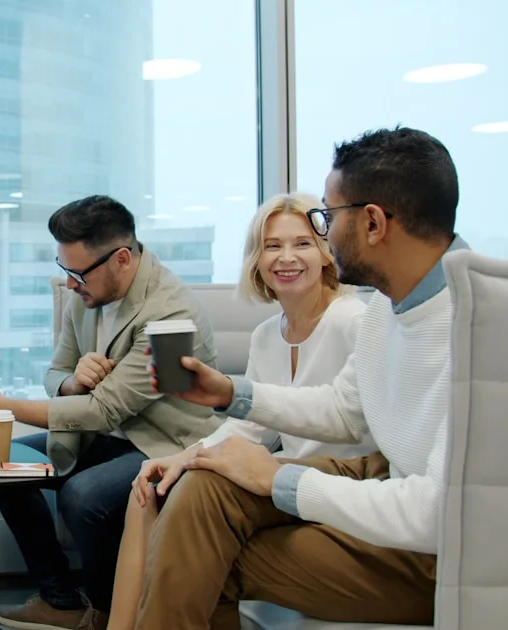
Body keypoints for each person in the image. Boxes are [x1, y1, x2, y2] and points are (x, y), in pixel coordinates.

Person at [133, 126, 465, 629]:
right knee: (205, 486)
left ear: (373, 223)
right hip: (387, 480)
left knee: (201, 557)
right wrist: (231, 394)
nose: (324, 232)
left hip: (436, 552)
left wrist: (282, 478)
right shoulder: (387, 310)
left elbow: (433, 514)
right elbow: (344, 409)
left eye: (326, 218)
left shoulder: (475, 327)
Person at [106, 192, 376, 630]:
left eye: (302, 244)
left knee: (198, 494)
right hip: (281, 483)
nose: (286, 257)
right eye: (272, 246)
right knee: (148, 490)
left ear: (326, 254)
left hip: (335, 481)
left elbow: (348, 419)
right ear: (257, 259)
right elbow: (250, 429)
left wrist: (200, 453)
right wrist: (176, 458)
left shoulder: (355, 321)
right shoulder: (268, 334)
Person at [0, 195, 222, 630]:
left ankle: (107, 610)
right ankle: (62, 601)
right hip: (101, 435)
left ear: (120, 259)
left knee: (86, 497)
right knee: (0, 463)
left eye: (77, 273)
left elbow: (104, 409)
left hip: (162, 442)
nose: (71, 284)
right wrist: (71, 382)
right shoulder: (86, 295)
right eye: (64, 270)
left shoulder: (171, 313)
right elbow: (55, 371)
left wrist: (3, 406)